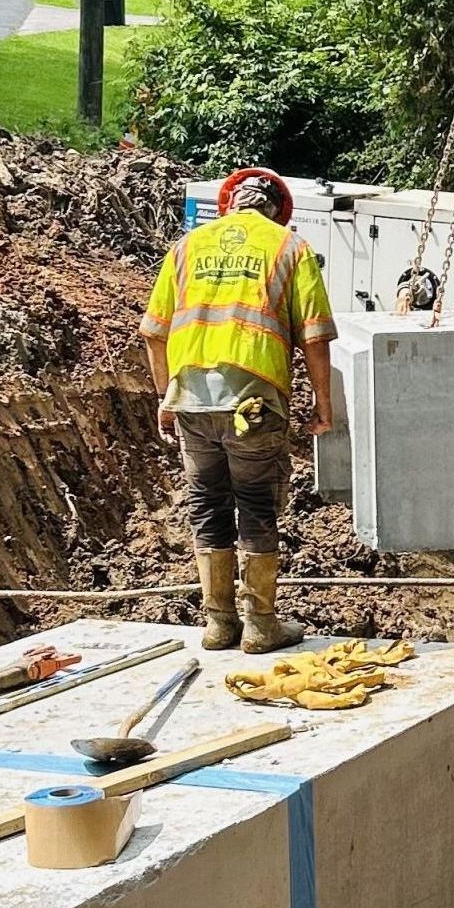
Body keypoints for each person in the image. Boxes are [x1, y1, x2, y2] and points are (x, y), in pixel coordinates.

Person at [140, 168, 337, 655]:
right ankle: (259, 625)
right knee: (255, 506)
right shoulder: (290, 248)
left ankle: (219, 624)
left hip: (190, 400)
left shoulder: (186, 248)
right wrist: (323, 405)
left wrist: (166, 396)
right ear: (274, 209)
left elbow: (152, 332)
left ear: (228, 204)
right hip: (254, 401)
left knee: (207, 507)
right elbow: (313, 335)